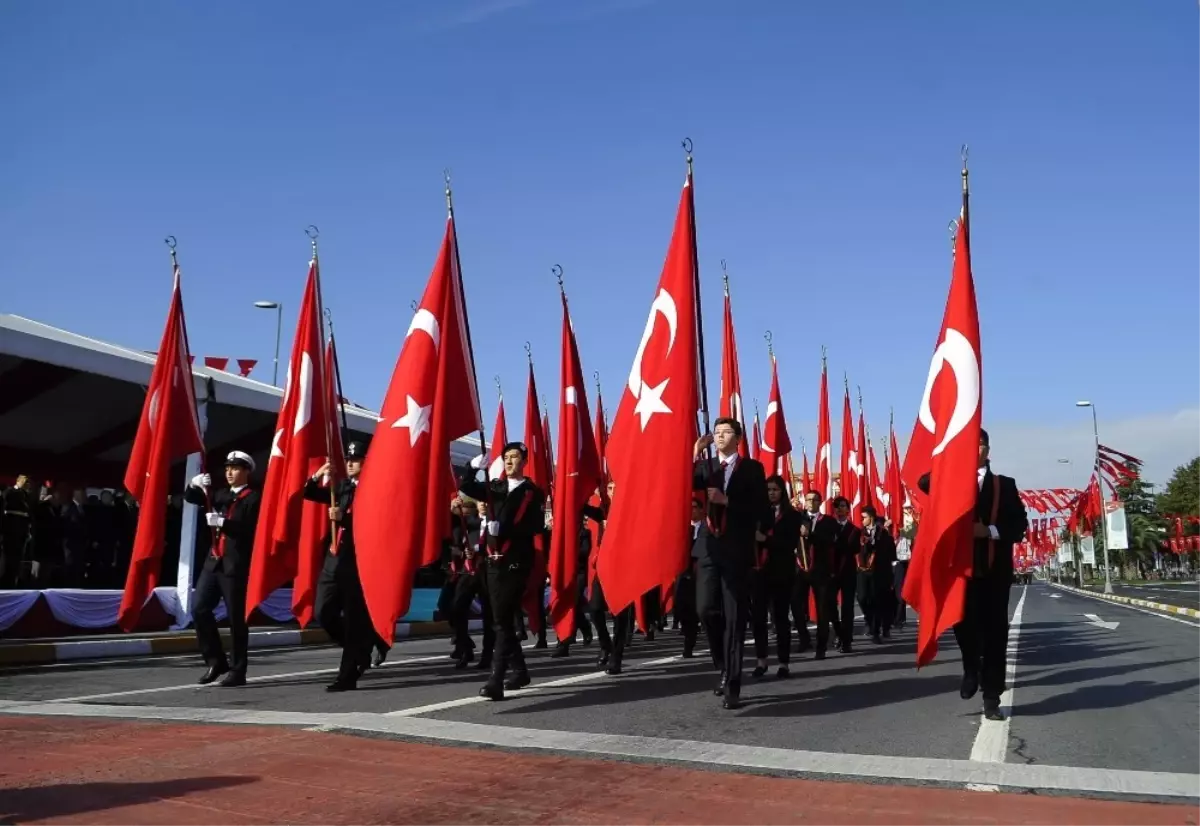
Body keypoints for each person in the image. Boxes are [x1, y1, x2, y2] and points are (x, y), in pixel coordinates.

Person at [918, 428, 1026, 721]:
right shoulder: (950, 481)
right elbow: (923, 482)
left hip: (993, 570)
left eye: (978, 444)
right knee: (963, 625)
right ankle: (970, 666)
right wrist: (950, 462)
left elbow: (1019, 527)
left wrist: (989, 531)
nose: (973, 449)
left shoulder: (1004, 485)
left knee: (994, 634)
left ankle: (991, 696)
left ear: (988, 450)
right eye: (968, 445)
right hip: (960, 570)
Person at [458, 441, 547, 701]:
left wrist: (503, 529)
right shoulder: (494, 487)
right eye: (506, 457)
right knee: (502, 619)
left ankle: (496, 680)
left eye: (515, 457)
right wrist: (472, 467)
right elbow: (466, 487)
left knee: (500, 620)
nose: (509, 462)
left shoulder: (532, 492)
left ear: (524, 461)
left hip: (515, 561)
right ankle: (520, 671)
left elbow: (535, 526)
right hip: (492, 562)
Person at [692, 417, 770, 710]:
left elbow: (762, 508)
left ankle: (733, 684)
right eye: (717, 432)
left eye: (726, 432)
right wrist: (695, 452)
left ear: (738, 438)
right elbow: (680, 482)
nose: (720, 436)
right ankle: (723, 662)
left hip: (736, 548)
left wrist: (728, 502)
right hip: (709, 548)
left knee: (735, 618)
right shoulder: (706, 466)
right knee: (705, 609)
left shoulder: (751, 469)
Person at [185, 451, 262, 687]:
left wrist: (222, 523)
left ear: (247, 471)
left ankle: (238, 670)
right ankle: (216, 660)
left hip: (235, 565)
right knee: (199, 609)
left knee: (237, 619)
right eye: (227, 468)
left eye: (235, 468)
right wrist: (193, 484)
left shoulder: (253, 498)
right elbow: (192, 498)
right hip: (214, 561)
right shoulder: (220, 495)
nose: (229, 472)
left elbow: (248, 530)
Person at [303, 441, 375, 692]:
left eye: (356, 459)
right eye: (348, 459)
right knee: (323, 612)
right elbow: (309, 493)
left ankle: (347, 675)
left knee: (354, 618)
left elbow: (371, 525)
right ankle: (358, 649)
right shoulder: (342, 487)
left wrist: (342, 518)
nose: (351, 463)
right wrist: (318, 475)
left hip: (356, 561)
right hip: (333, 560)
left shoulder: (373, 490)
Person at [750, 474, 802, 679]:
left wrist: (766, 539)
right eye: (768, 489)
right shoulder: (759, 514)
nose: (771, 493)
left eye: (775, 489)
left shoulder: (792, 515)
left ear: (782, 492)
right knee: (758, 619)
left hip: (782, 572)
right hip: (759, 571)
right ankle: (761, 661)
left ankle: (783, 662)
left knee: (780, 619)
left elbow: (789, 545)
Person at [857, 505, 896, 643]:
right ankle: (869, 620)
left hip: (879, 572)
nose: (862, 520)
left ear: (871, 518)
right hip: (863, 571)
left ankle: (876, 630)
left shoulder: (883, 534)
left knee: (877, 601)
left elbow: (891, 554)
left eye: (864, 518)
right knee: (862, 598)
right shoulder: (859, 533)